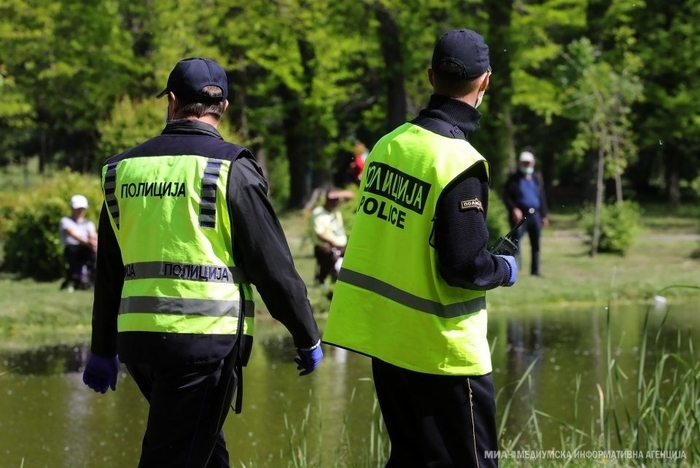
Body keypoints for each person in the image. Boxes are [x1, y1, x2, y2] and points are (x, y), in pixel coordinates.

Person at [81, 57, 323, 468]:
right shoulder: (231, 167)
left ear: (172, 101)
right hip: (205, 343)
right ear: (223, 106)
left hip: (139, 343)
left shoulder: (121, 170)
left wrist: (103, 347)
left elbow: (109, 271)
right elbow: (272, 266)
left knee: (203, 453)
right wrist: (306, 334)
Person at [322, 29, 518, 468]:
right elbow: (464, 265)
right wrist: (505, 269)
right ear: (485, 81)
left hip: (389, 343)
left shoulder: (387, 146)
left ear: (431, 77)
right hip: (444, 353)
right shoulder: (459, 161)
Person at [503, 150, 549, 276]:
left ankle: (535, 270)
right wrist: (514, 208)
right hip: (520, 217)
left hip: (535, 215)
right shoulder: (514, 179)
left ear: (532, 163)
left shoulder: (536, 179)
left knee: (536, 244)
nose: (527, 165)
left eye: (528, 163)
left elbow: (541, 197)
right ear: (521, 163)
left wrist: (544, 215)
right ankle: (511, 270)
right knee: (514, 243)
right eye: (524, 163)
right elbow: (507, 196)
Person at [309, 188, 352, 286]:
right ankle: (322, 280)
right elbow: (320, 234)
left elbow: (350, 196)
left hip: (341, 246)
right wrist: (333, 242)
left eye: (337, 200)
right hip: (325, 246)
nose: (335, 202)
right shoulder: (318, 212)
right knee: (334, 260)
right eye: (333, 200)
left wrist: (338, 194)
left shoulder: (336, 210)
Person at [59, 194, 97, 292]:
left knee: (94, 261)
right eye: (78, 208)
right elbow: (73, 234)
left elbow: (93, 234)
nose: (80, 211)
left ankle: (92, 281)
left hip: (86, 248)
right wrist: (88, 242)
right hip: (72, 249)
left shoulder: (88, 223)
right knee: (74, 268)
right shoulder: (65, 221)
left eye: (82, 208)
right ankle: (73, 282)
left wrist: (93, 242)